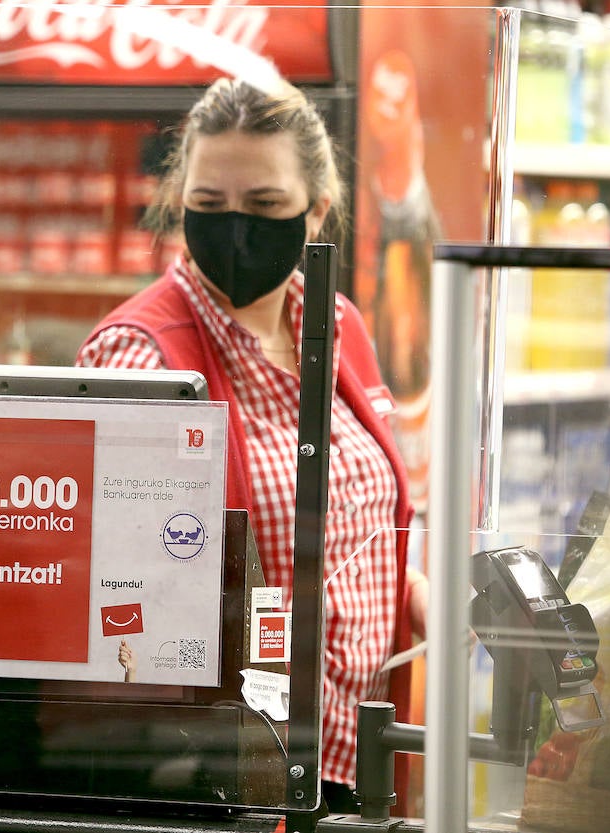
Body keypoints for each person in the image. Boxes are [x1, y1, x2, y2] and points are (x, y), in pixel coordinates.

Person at [76, 76, 428, 813]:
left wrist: (416, 593)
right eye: (208, 206)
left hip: (359, 754)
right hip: (236, 780)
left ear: (316, 209)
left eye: (265, 206)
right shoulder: (142, 359)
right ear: (181, 205)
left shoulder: (338, 327)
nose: (236, 229)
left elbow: (360, 515)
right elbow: (124, 604)